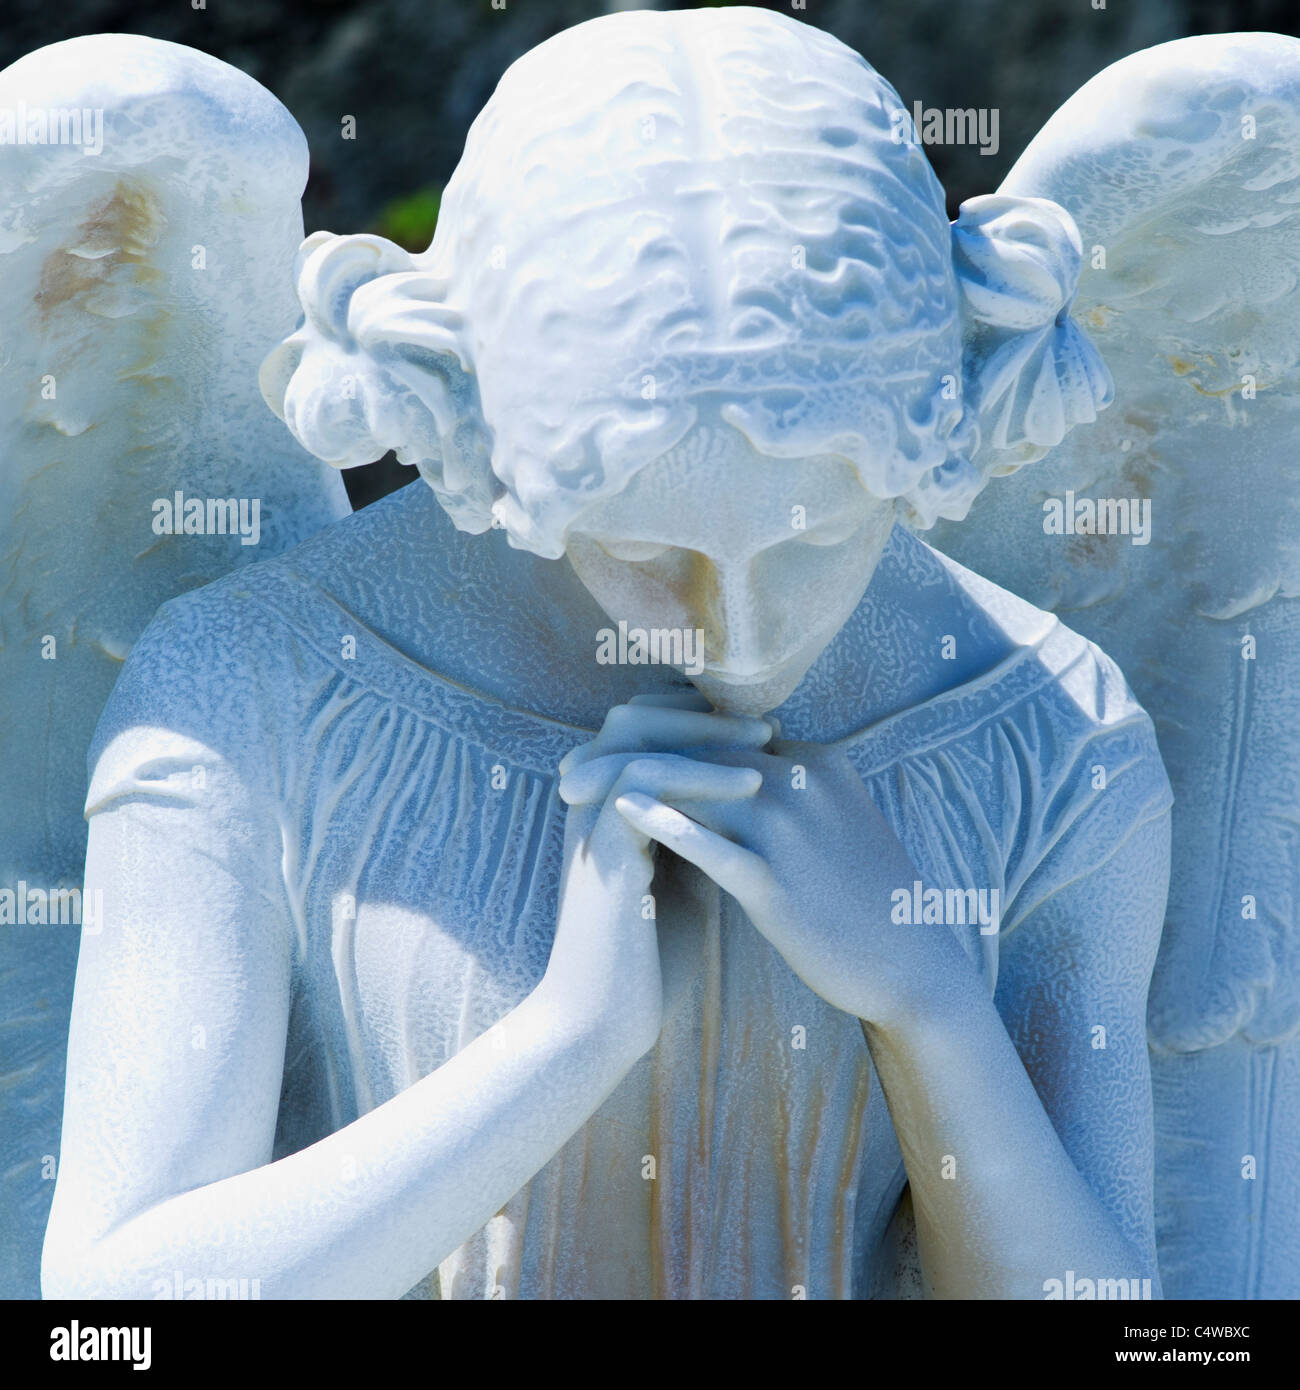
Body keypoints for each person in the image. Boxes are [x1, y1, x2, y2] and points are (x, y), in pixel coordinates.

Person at [43, 7, 1170, 1300]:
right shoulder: (251, 692)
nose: (738, 635)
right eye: (643, 549)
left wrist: (928, 1007)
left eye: (818, 538)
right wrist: (566, 1043)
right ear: (483, 439)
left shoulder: (1051, 730)